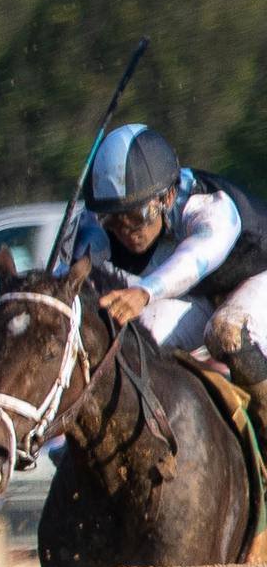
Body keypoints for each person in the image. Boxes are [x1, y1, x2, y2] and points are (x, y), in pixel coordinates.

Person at [76, 124, 267, 408]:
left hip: (257, 276)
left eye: (135, 215)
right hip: (204, 295)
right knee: (135, 340)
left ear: (166, 198)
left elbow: (196, 258)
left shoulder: (209, 206)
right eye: (113, 218)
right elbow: (68, 278)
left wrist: (144, 292)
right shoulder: (96, 224)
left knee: (227, 331)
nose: (126, 229)